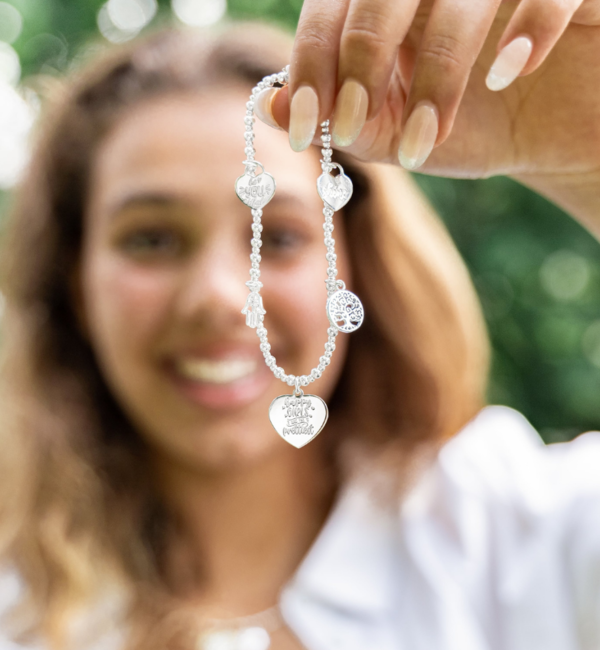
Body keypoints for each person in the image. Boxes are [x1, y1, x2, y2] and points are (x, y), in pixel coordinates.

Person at [0, 2, 599, 649]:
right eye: (151, 240)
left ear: (356, 264)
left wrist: (591, 163)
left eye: (279, 237)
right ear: (76, 286)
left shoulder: (514, 534)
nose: (222, 298)